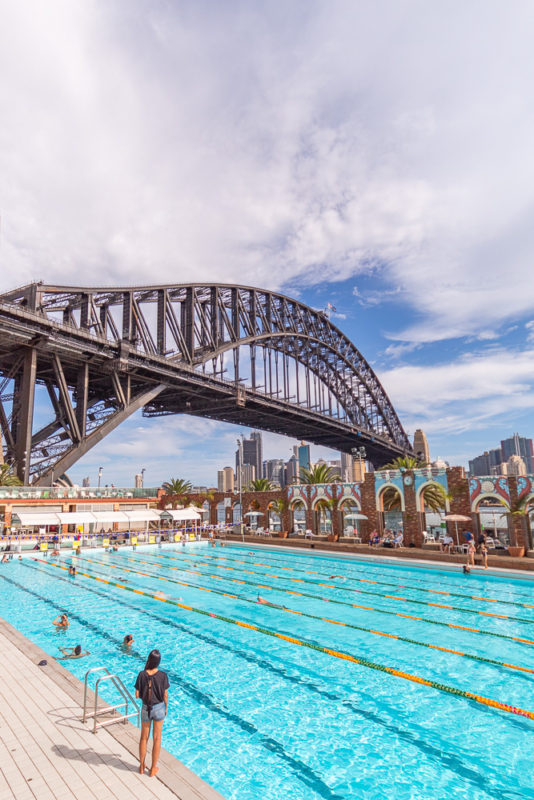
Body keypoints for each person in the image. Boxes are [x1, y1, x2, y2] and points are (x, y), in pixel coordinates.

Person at [135, 650, 169, 777]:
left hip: (146, 708)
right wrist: (166, 707)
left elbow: (137, 695)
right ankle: (153, 769)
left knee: (144, 738)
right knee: (157, 738)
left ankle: (142, 766)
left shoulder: (142, 674)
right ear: (158, 662)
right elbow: (165, 695)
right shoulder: (163, 676)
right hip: (159, 708)